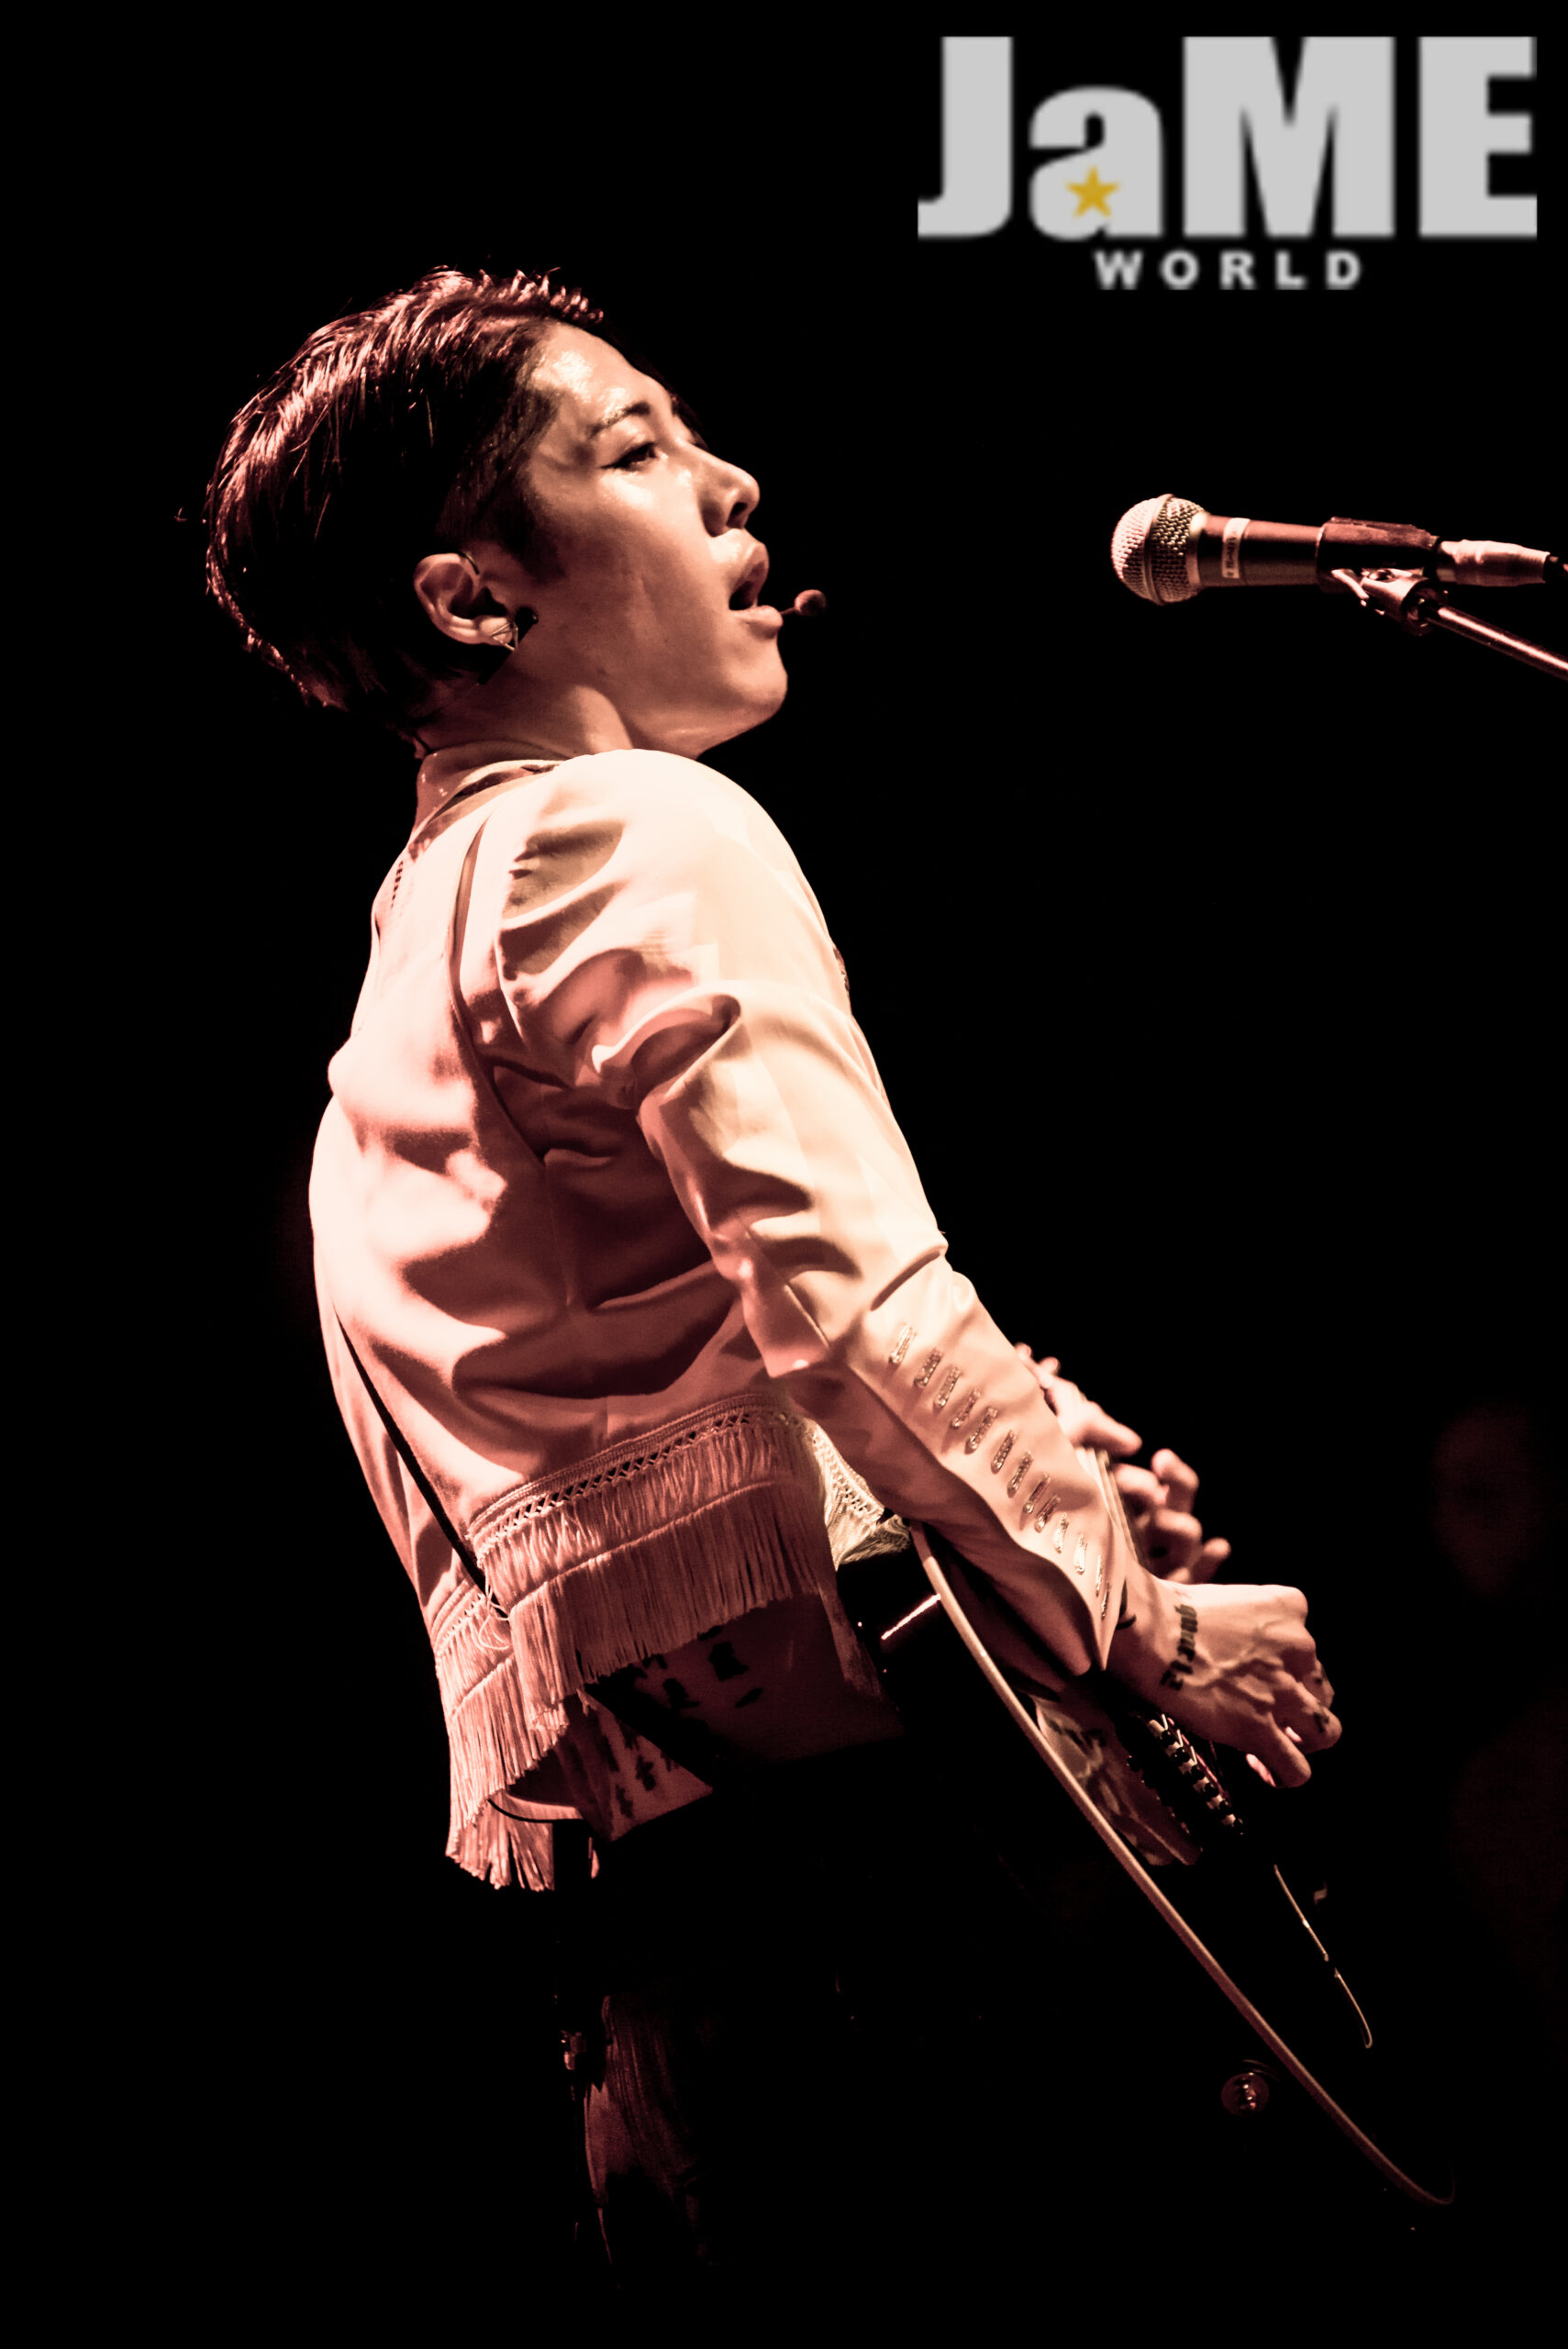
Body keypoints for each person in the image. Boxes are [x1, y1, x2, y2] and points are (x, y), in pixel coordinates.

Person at [206, 266, 1340, 2297]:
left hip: (677, 2009)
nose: (733, 483)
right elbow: (859, 1309)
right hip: (910, 1960)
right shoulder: (634, 824)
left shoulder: (401, 987)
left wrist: (1016, 1473)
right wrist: (1137, 1616)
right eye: (636, 450)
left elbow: (672, 1443)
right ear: (475, 599)